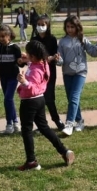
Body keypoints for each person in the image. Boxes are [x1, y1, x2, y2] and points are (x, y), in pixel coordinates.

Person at [16, 40, 76, 171]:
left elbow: (32, 87)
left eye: (29, 54)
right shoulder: (43, 63)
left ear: (33, 56)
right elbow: (34, 64)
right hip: (40, 100)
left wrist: (24, 82)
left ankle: (31, 161)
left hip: (29, 102)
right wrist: (27, 60)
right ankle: (64, 151)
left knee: (26, 130)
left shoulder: (35, 71)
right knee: (44, 128)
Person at [57, 15, 97, 136]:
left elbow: (94, 52)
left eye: (72, 27)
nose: (70, 29)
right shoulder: (62, 42)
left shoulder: (82, 39)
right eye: (67, 27)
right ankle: (79, 121)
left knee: (74, 97)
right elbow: (60, 59)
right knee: (71, 98)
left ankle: (69, 123)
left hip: (80, 73)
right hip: (67, 73)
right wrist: (58, 59)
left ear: (77, 27)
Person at [31, 14, 65, 130]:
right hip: (37, 73)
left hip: (49, 73)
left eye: (43, 25)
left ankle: (57, 120)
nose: (40, 27)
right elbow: (33, 57)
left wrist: (53, 58)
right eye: (38, 25)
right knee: (38, 98)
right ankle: (41, 124)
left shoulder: (52, 39)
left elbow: (55, 56)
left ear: (48, 25)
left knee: (49, 98)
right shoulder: (34, 40)